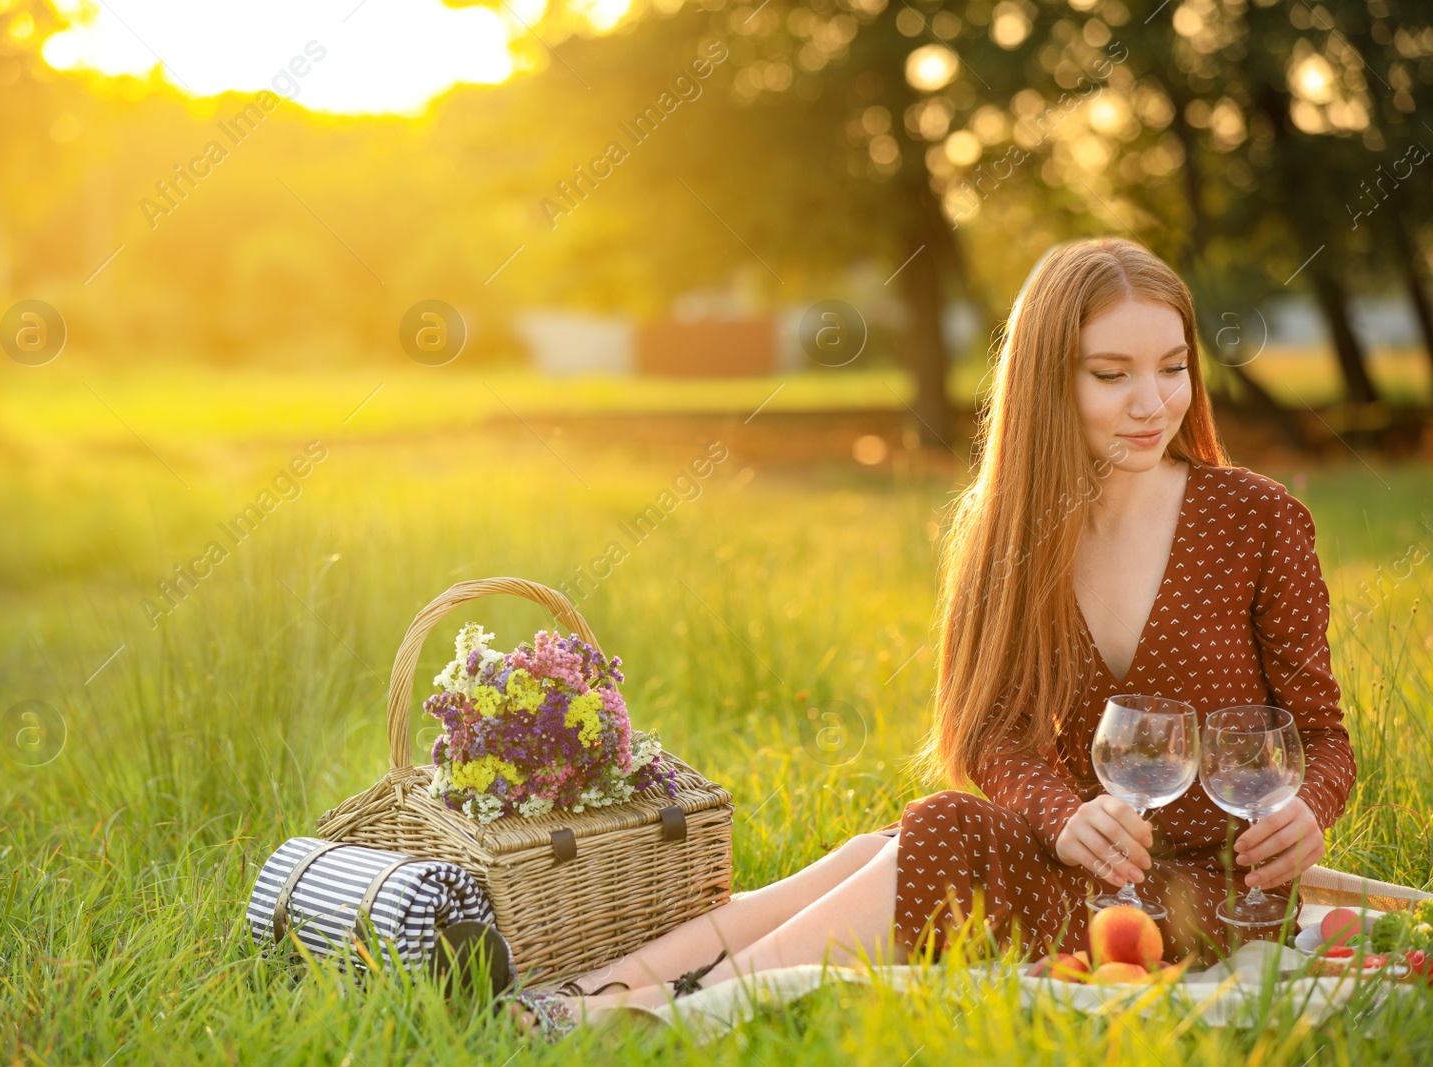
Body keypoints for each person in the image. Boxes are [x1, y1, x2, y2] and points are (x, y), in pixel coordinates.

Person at [500, 236, 1357, 1041]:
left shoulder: (1259, 520)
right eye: (1112, 374)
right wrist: (1065, 818)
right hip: (1087, 864)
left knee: (940, 831)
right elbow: (991, 732)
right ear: (1047, 384)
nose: (1153, 402)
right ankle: (590, 990)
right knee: (882, 849)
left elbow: (1322, 737)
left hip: (1209, 892)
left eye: (1173, 368)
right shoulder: (1015, 531)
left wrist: (1308, 812)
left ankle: (668, 1016)